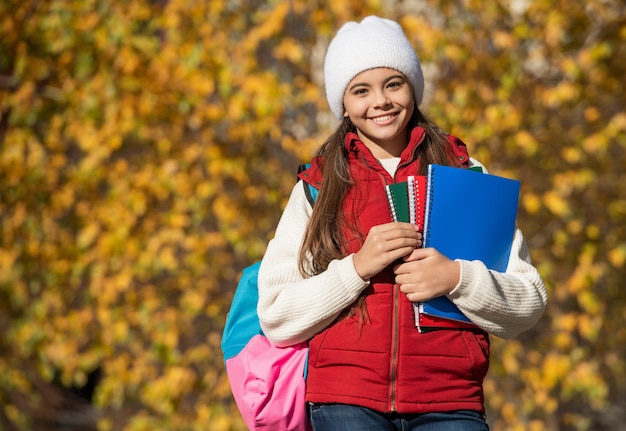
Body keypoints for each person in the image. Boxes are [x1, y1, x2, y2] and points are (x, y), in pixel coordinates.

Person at [257, 16, 547, 431]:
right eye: (361, 90)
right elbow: (276, 315)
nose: (381, 101)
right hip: (344, 398)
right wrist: (357, 268)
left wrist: (456, 278)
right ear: (343, 104)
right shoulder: (318, 185)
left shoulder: (465, 173)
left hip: (449, 400)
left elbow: (529, 301)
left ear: (413, 87)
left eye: (394, 83)